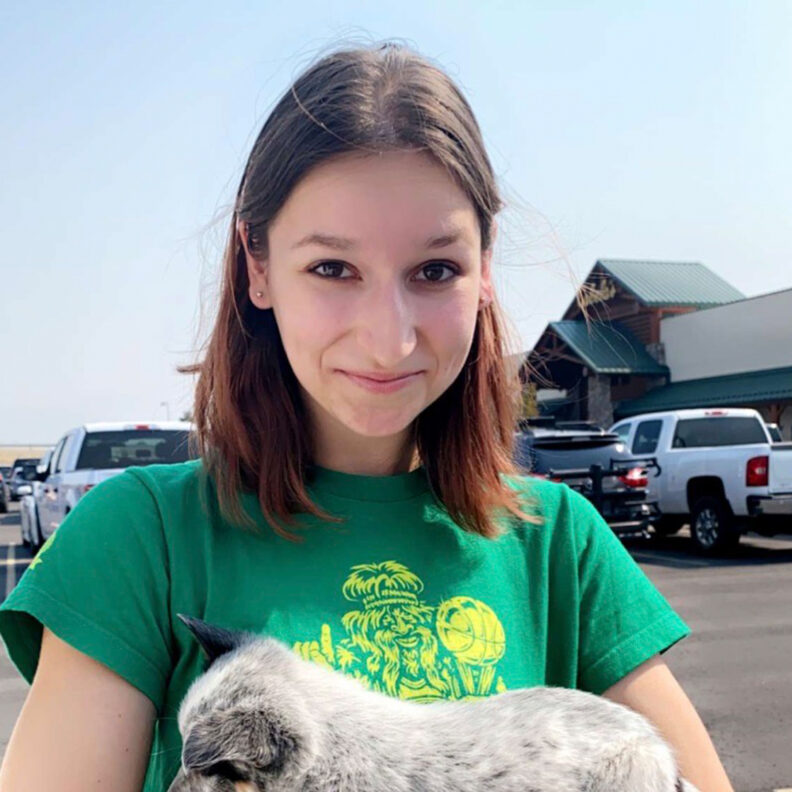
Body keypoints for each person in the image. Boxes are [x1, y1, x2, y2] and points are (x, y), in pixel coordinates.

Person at [0, 42, 733, 792]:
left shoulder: (559, 546)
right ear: (257, 267)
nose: (390, 339)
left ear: (484, 268)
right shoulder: (141, 539)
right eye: (332, 268)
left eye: (435, 270)